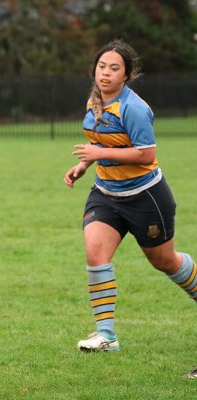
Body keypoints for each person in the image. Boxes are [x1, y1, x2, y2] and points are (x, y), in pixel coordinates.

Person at [63, 39, 197, 357]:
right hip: (105, 194)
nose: (106, 73)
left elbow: (145, 154)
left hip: (145, 196)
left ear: (126, 75)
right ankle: (107, 335)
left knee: (164, 261)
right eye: (102, 66)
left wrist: (98, 152)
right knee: (95, 254)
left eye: (114, 68)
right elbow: (99, 140)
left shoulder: (134, 107)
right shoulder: (94, 100)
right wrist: (84, 164)